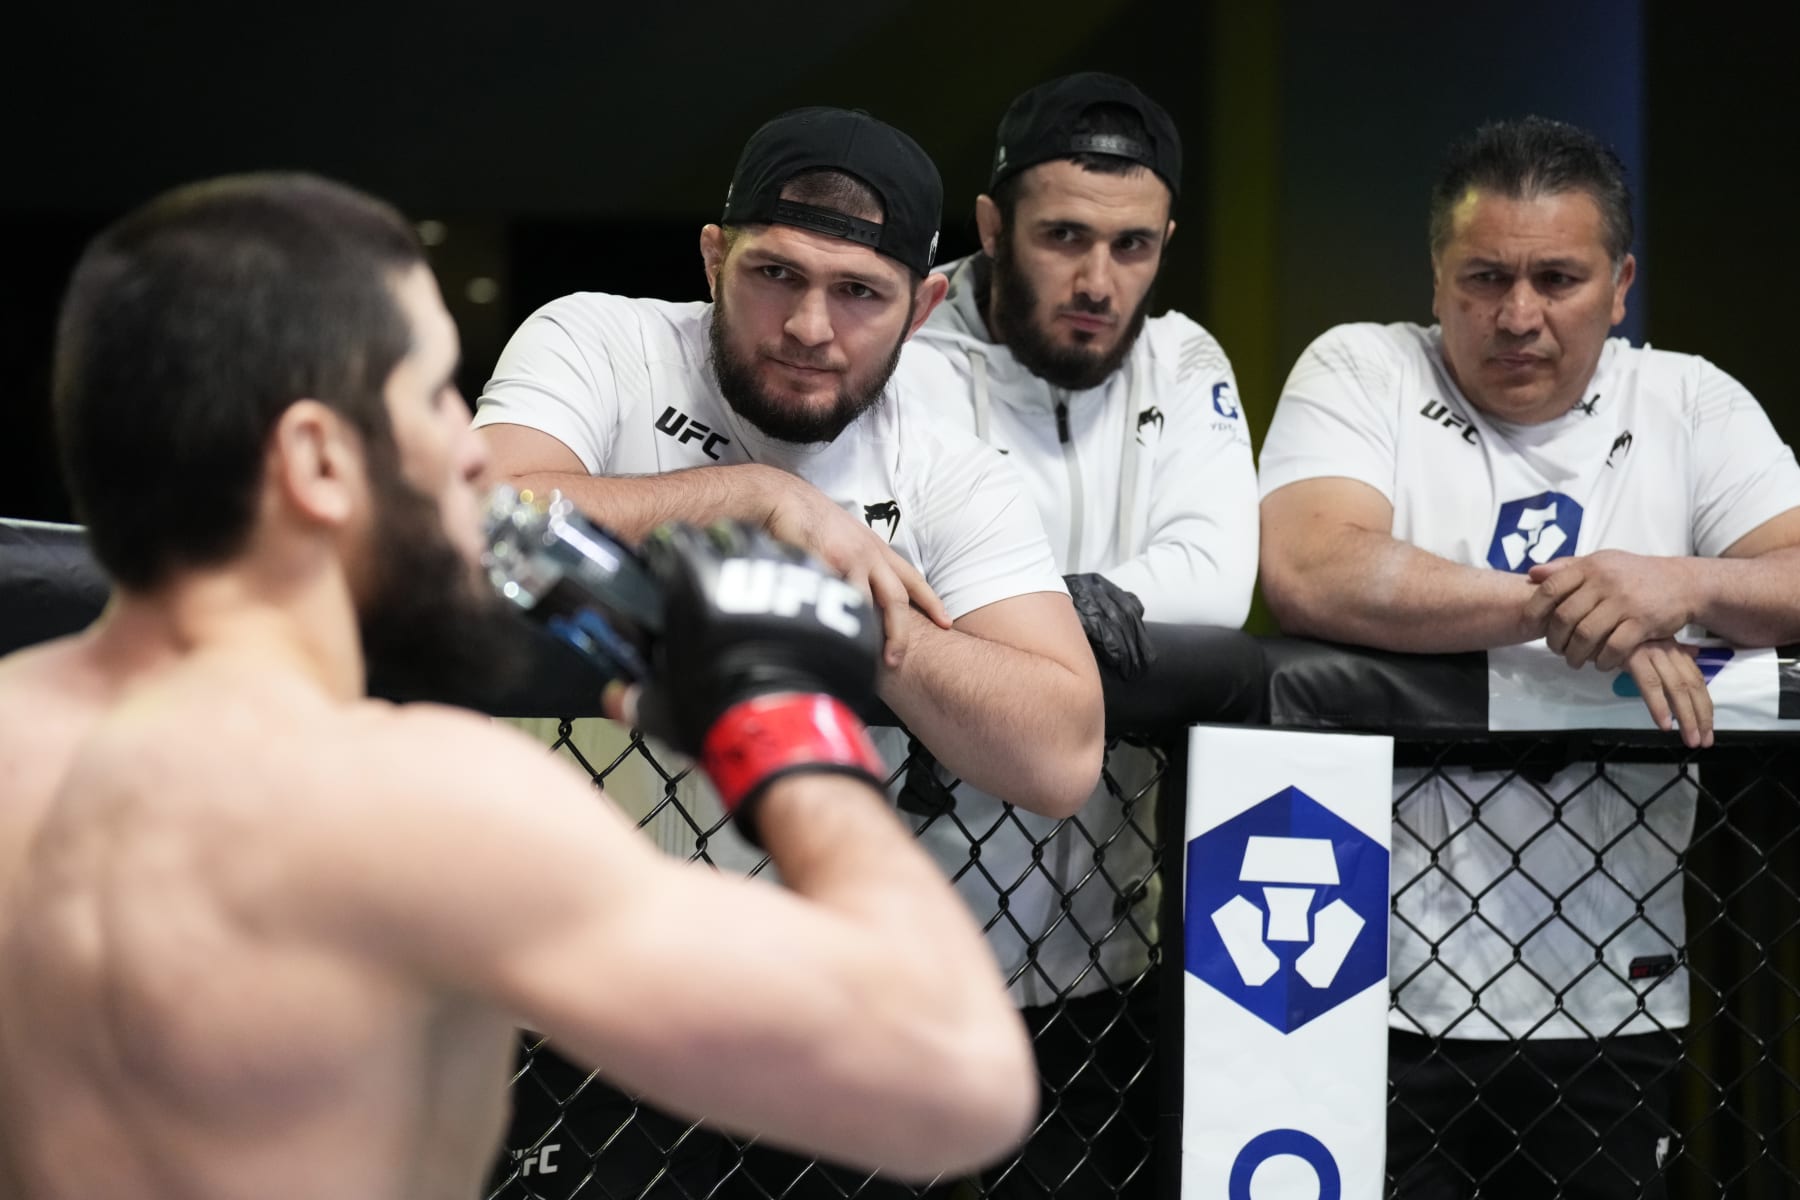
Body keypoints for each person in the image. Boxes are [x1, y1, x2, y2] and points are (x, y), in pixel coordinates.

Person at [0, 173, 1039, 1200]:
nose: (471, 451)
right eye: (435, 391)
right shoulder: (420, 806)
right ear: (318, 460)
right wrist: (781, 726)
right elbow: (960, 1079)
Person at [1258, 116, 1800, 1198]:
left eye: (1557, 278)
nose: (1518, 315)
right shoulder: (1362, 366)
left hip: (1615, 983)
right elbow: (1311, 567)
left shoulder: (1688, 400)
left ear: (1621, 283)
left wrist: (1680, 585)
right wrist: (1581, 607)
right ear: (1436, 277)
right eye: (1484, 278)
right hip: (1355, 978)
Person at [474, 106, 1105, 823]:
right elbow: (472, 521)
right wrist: (758, 498)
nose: (810, 327)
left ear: (922, 309)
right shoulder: (603, 344)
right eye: (776, 272)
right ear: (715, 261)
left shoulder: (948, 470)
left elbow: (1063, 759)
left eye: (859, 292)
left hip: (796, 924)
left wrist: (833, 612)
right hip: (556, 905)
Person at [909, 72, 1256, 1198]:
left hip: (1098, 963)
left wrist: (1008, 607)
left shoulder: (1185, 358)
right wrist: (1070, 606)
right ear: (993, 226)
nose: (1101, 282)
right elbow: (884, 583)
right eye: (1064, 238)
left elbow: (1216, 582)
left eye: (1134, 246)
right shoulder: (898, 345)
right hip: (895, 944)